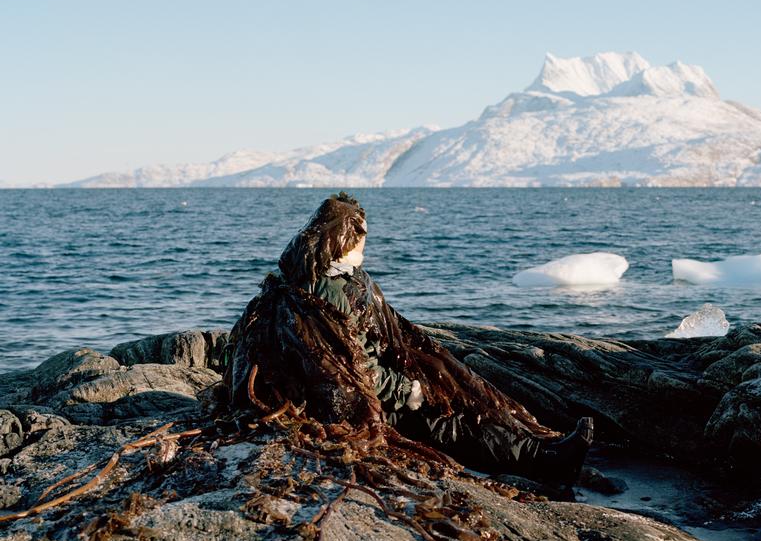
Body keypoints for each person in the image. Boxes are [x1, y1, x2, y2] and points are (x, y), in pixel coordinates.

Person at [226, 192, 593, 484]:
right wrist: (406, 391)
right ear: (342, 239)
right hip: (344, 404)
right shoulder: (321, 292)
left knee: (454, 391)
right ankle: (541, 460)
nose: (366, 244)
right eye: (361, 235)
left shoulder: (322, 277)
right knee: (443, 422)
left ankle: (539, 443)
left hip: (354, 390)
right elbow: (348, 368)